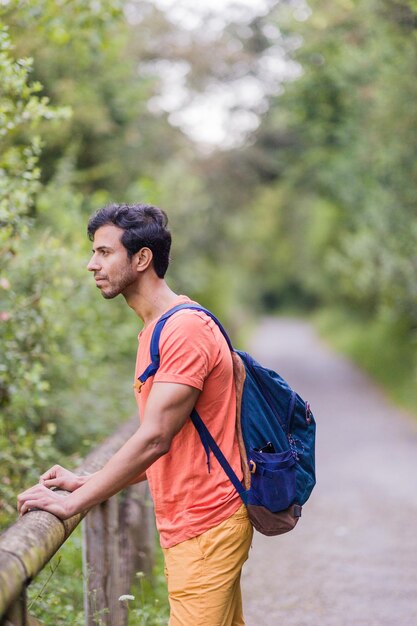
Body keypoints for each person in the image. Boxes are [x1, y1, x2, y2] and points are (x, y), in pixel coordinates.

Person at [17, 203, 253, 626]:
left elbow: (155, 437)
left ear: (141, 258)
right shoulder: (156, 328)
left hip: (206, 522)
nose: (92, 265)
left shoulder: (183, 330)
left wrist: (73, 503)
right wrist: (89, 480)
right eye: (94, 253)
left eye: (105, 253)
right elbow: (171, 442)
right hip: (194, 522)